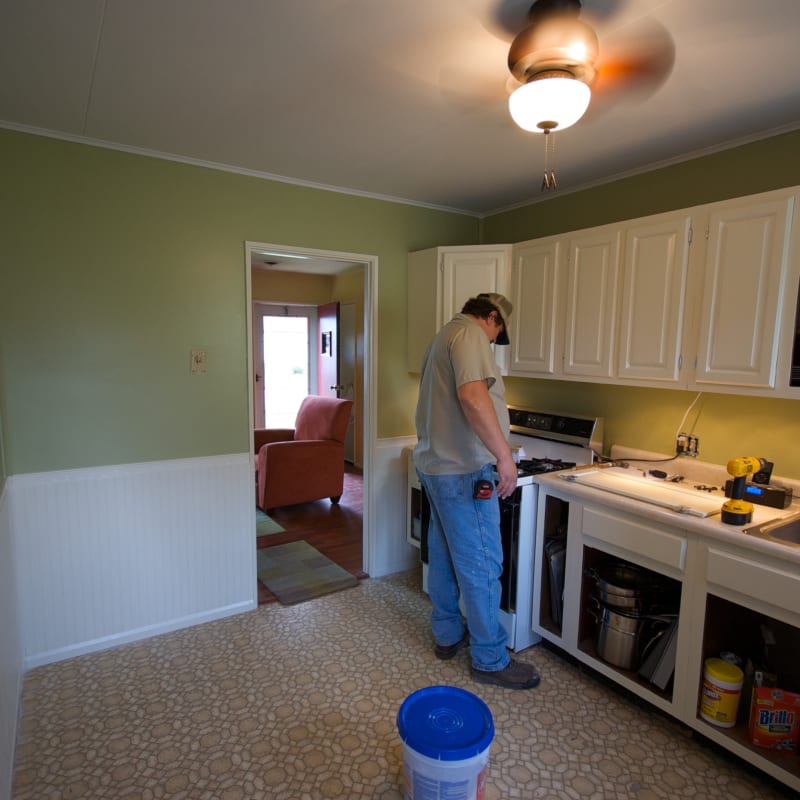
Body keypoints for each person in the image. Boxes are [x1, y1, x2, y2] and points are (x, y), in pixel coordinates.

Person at [413, 293, 541, 690]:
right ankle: (489, 659)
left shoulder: (444, 335)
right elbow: (473, 396)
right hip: (466, 471)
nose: (493, 342)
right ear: (491, 318)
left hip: (437, 467)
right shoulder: (470, 336)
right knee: (483, 565)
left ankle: (448, 636)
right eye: (496, 333)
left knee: (447, 556)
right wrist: (505, 457)